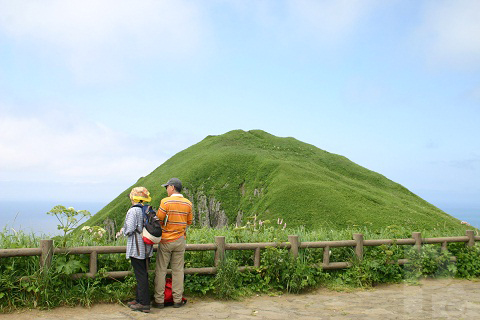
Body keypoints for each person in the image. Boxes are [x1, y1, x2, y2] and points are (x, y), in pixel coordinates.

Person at [153, 178, 193, 308]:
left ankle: (159, 300)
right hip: (180, 239)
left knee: (161, 270)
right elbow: (189, 222)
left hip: (166, 240)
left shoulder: (165, 202)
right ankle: (177, 300)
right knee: (178, 271)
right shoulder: (188, 203)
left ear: (172, 187)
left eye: (166, 187)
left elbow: (159, 219)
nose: (166, 190)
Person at [122, 187, 154, 313]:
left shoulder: (133, 211)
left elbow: (129, 229)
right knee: (143, 274)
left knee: (140, 275)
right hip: (147, 247)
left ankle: (144, 304)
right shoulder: (146, 209)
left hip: (137, 248)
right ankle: (139, 299)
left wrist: (122, 231)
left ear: (133, 197)